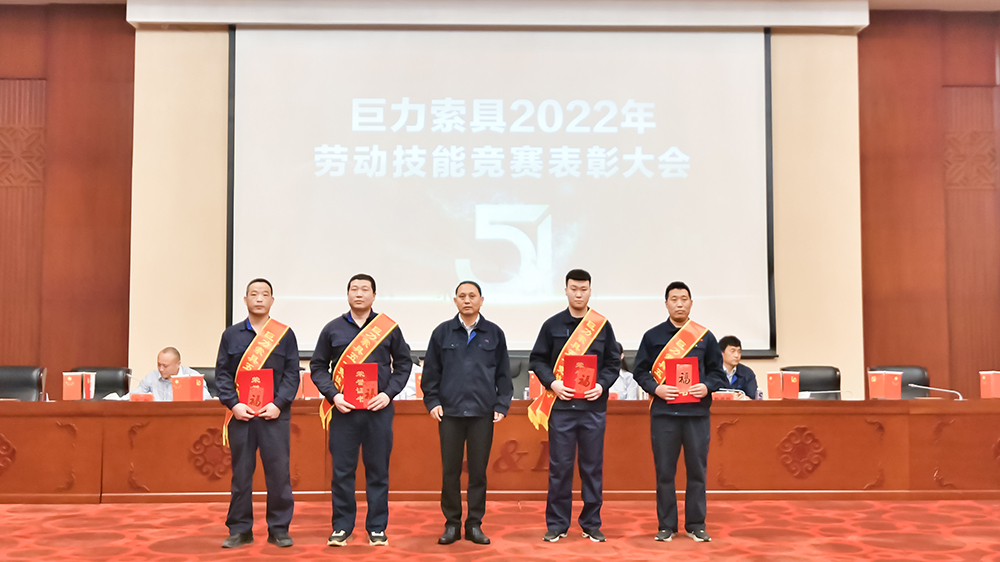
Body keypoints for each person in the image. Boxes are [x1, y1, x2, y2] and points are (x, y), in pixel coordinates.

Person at [311, 274, 412, 547]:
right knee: (342, 472)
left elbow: (404, 364)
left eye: (365, 289)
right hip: (343, 411)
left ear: (374, 295)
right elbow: (318, 366)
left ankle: (377, 527)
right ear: (347, 294)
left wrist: (388, 394)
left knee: (378, 471)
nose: (359, 293)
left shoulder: (388, 328)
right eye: (354, 289)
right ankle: (342, 526)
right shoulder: (332, 329)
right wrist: (333, 395)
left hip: (378, 411)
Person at [528, 269, 620, 543]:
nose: (579, 294)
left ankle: (591, 523)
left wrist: (602, 385)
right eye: (574, 289)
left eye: (583, 289)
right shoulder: (552, 325)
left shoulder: (601, 326)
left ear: (590, 291)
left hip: (593, 408)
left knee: (592, 468)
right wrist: (552, 383)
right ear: (566, 290)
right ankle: (557, 524)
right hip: (562, 408)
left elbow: (613, 363)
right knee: (560, 468)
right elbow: (537, 360)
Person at [633, 281, 727, 543]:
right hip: (664, 415)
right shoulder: (652, 337)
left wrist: (706, 386)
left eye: (684, 299)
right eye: (674, 299)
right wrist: (657, 389)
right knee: (665, 472)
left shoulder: (705, 337)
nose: (679, 304)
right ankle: (666, 525)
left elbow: (718, 373)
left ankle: (696, 524)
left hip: (696, 415)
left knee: (697, 471)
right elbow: (640, 371)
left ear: (691, 303)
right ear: (666, 304)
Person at [421, 281, 513, 546]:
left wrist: (501, 405)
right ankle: (452, 524)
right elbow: (431, 373)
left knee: (478, 472)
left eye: (472, 296)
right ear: (455, 301)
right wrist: (432, 401)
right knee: (450, 472)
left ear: (481, 300)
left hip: (482, 413)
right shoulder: (442, 332)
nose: (467, 300)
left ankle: (474, 524)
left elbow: (503, 374)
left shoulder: (494, 333)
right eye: (462, 296)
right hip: (449, 413)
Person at [215, 278, 300, 549]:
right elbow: (222, 375)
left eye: (265, 294)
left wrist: (278, 404)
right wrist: (233, 404)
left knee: (278, 474)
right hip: (241, 416)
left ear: (272, 300)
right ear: (245, 300)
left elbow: (292, 375)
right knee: (241, 475)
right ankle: (240, 530)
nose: (259, 298)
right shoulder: (231, 335)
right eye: (254, 294)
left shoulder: (284, 334)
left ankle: (279, 529)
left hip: (274, 415)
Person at [130, 347, 211, 401]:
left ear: (178, 364)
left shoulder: (192, 377)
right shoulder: (152, 376)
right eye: (159, 364)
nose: (161, 369)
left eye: (165, 366)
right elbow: (132, 396)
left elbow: (206, 400)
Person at [718, 335, 761, 400]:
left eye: (739, 351)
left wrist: (745, 398)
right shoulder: (711, 372)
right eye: (732, 351)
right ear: (721, 353)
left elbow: (752, 396)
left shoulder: (747, 373)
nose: (736, 355)